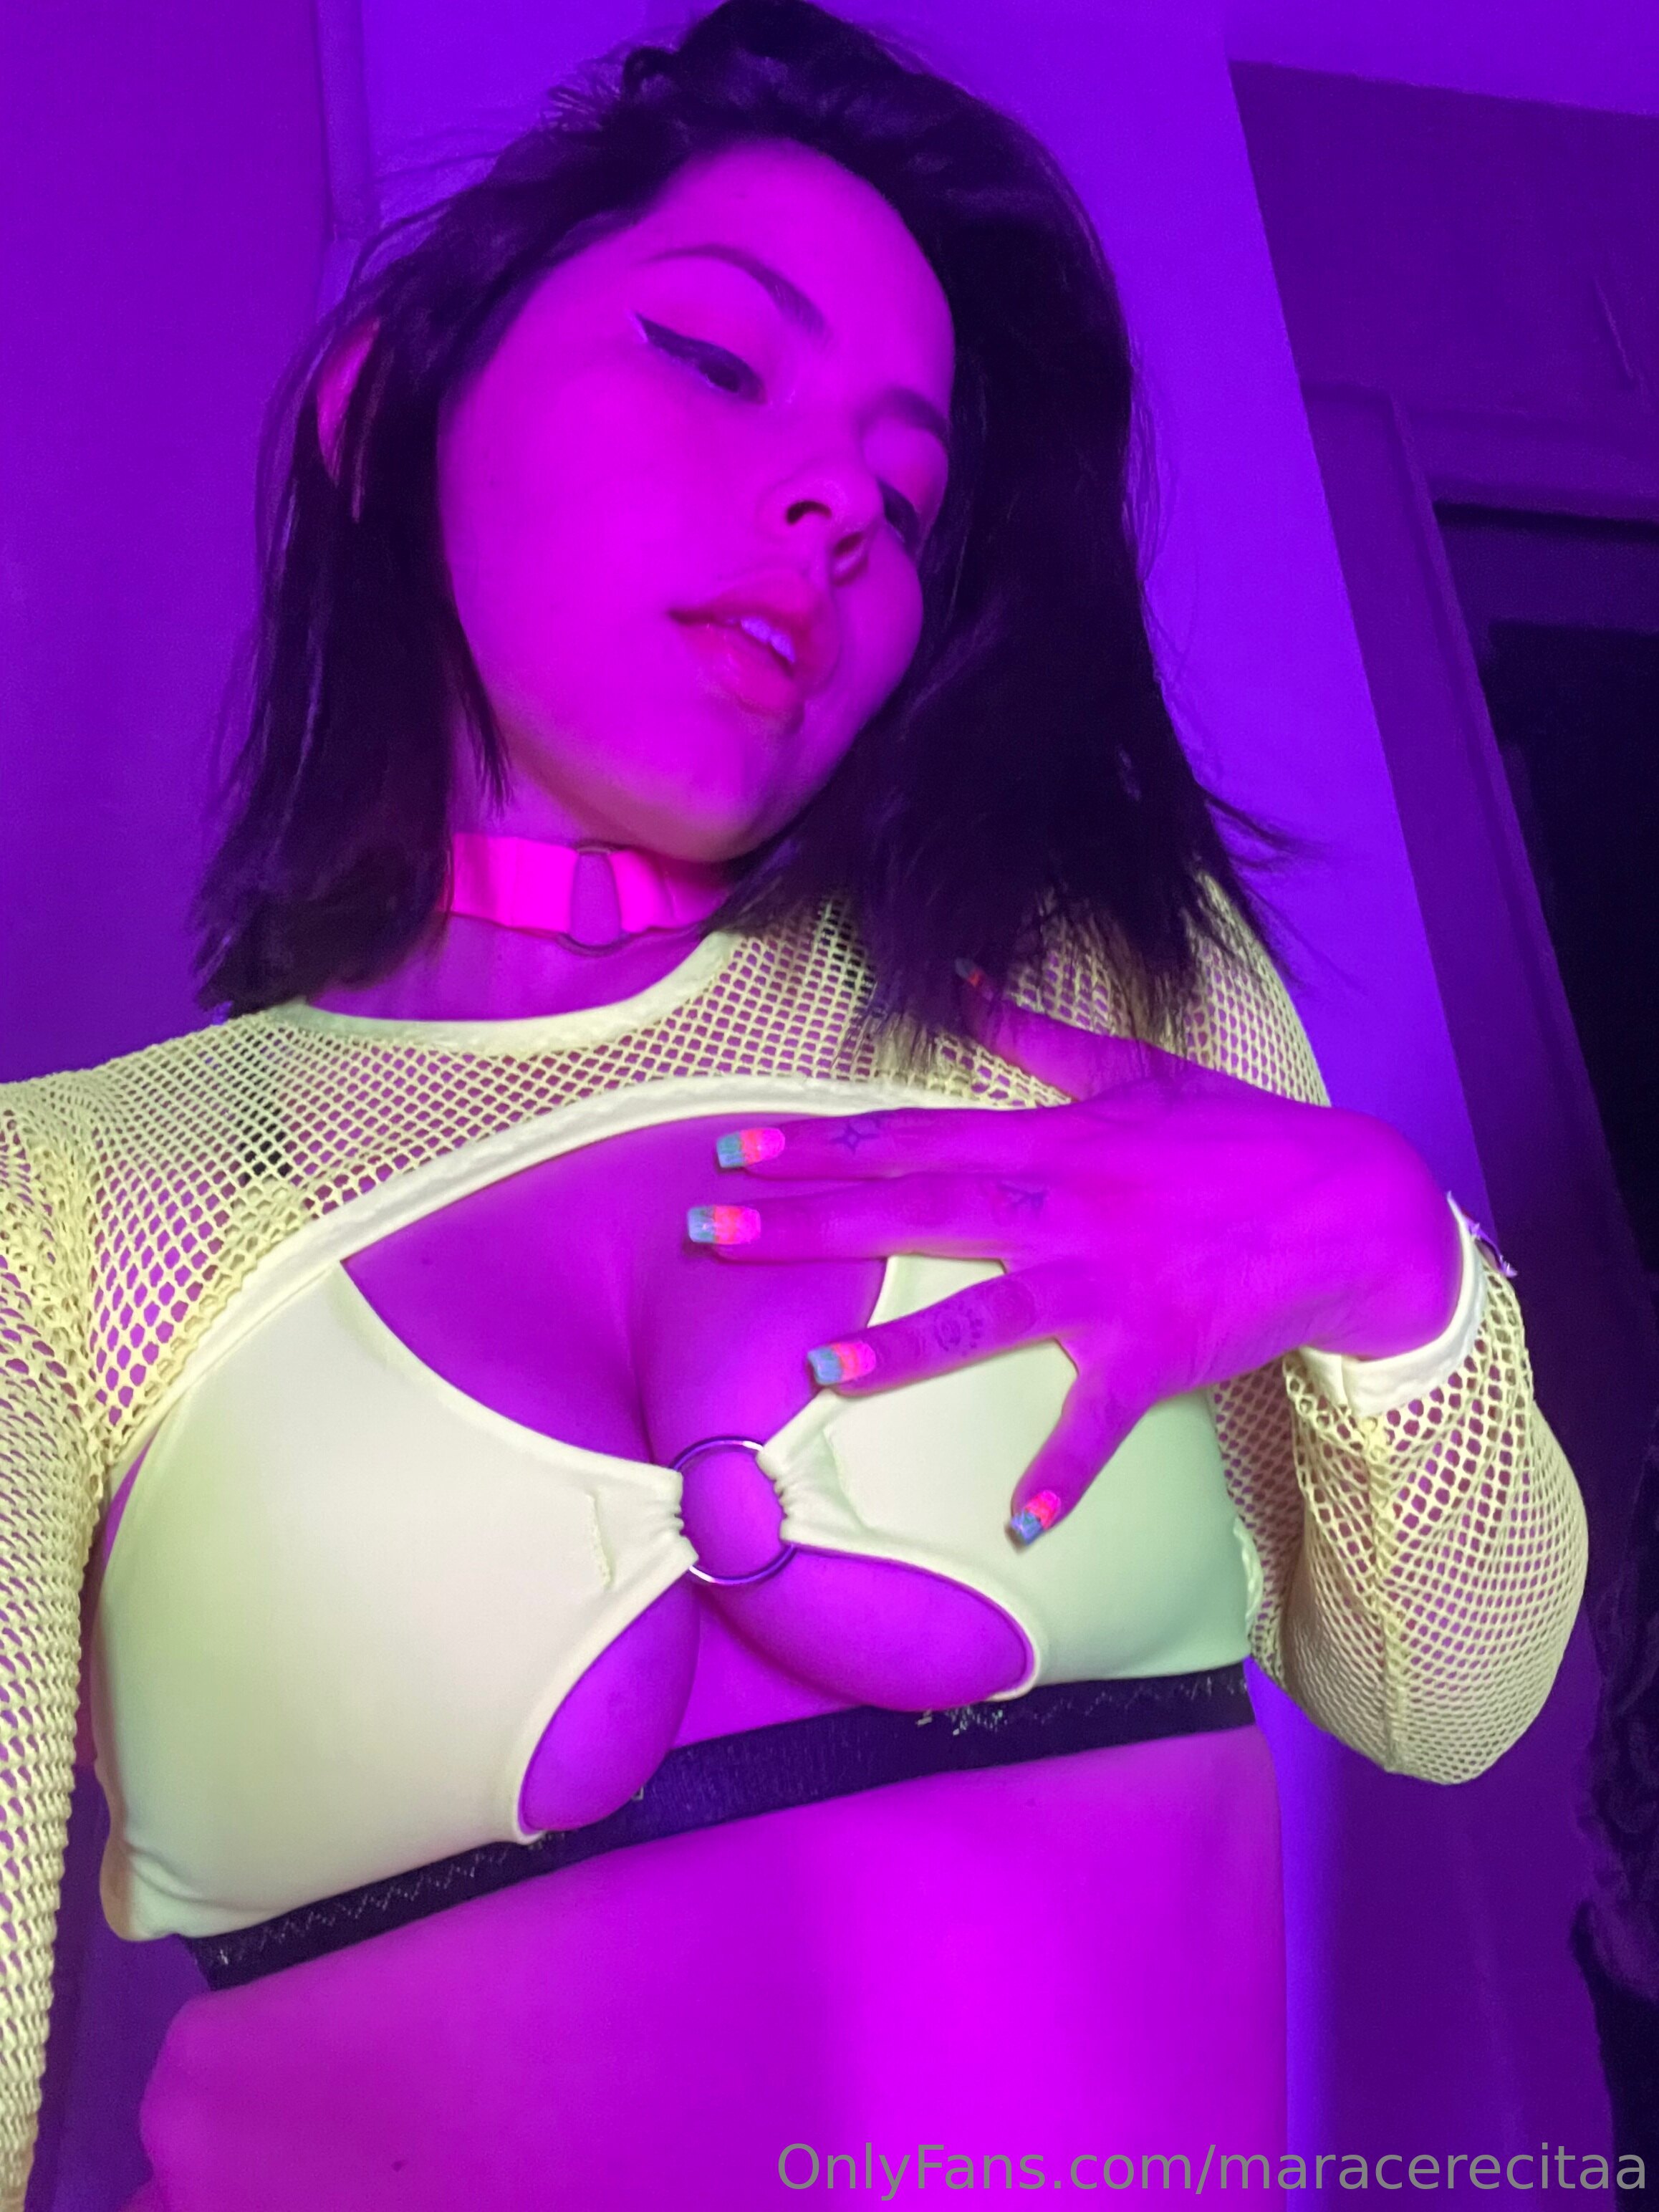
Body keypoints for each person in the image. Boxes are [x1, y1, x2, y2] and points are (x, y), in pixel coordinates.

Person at [0, 4, 1587, 2204]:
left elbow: (1448, 1691)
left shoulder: (1092, 994)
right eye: (714, 357)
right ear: (386, 409)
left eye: (905, 493)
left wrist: (1388, 1262)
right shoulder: (85, 1198)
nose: (836, 505)